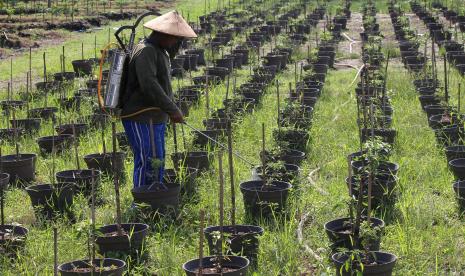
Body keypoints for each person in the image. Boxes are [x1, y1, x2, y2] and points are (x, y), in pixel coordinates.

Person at [120, 11, 197, 189]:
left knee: (157, 159)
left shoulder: (159, 50)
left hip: (155, 117)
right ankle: (141, 202)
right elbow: (149, 85)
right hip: (140, 117)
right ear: (164, 34)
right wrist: (172, 109)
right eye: (175, 38)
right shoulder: (146, 51)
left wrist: (168, 110)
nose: (176, 42)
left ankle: (155, 197)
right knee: (148, 160)